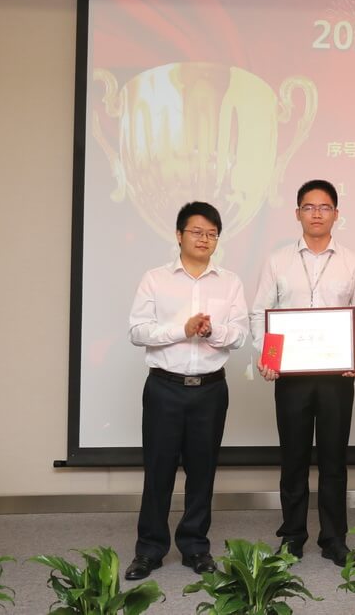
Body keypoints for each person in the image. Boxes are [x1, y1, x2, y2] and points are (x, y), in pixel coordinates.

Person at [250, 179, 355, 565]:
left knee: (334, 460)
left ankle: (334, 538)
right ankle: (292, 537)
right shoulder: (278, 260)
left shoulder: (353, 262)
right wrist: (268, 355)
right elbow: (260, 312)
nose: (316, 214)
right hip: (292, 377)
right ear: (297, 213)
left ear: (336, 214)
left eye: (324, 207)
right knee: (294, 459)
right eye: (309, 207)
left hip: (336, 377)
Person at [125, 202, 248, 580]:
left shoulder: (230, 282)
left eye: (212, 234)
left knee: (202, 472)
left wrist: (213, 331)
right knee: (158, 471)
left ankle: (195, 547)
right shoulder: (155, 279)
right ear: (179, 235)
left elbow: (240, 335)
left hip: (210, 390)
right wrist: (183, 328)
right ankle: (149, 550)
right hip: (165, 387)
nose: (204, 239)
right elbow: (137, 331)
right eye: (197, 231)